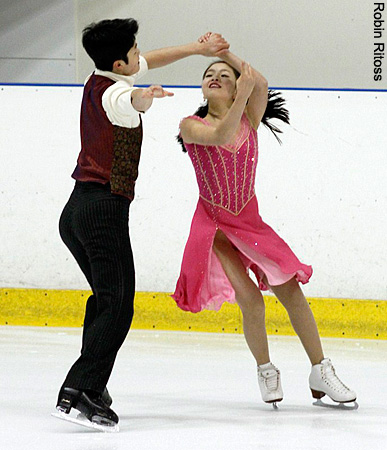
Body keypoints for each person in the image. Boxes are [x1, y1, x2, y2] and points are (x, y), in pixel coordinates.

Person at [55, 19, 229, 430]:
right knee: (118, 305)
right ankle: (80, 390)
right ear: (121, 61)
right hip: (102, 210)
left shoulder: (100, 74)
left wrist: (196, 48)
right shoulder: (118, 91)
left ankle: (91, 383)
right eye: (135, 52)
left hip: (76, 210)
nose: (141, 55)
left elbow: (149, 62)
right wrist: (144, 98)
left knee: (105, 299)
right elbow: (129, 100)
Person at [173, 39, 356, 408]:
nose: (215, 76)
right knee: (252, 302)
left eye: (224, 75)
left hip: (251, 223)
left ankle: (320, 370)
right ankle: (266, 369)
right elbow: (221, 136)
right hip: (216, 228)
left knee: (290, 288)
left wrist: (222, 53)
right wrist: (238, 91)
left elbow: (260, 81)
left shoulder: (249, 117)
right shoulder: (191, 125)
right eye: (209, 74)